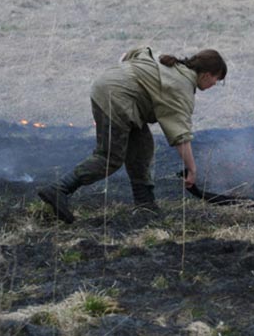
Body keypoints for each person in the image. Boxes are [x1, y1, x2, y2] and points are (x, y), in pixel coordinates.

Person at [38, 46, 227, 223]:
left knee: (142, 147)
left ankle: (145, 205)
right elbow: (181, 136)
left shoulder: (174, 67)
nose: (214, 84)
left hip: (116, 94)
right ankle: (59, 189)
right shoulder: (181, 86)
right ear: (206, 75)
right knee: (109, 157)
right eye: (216, 79)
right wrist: (192, 170)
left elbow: (136, 52)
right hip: (116, 98)